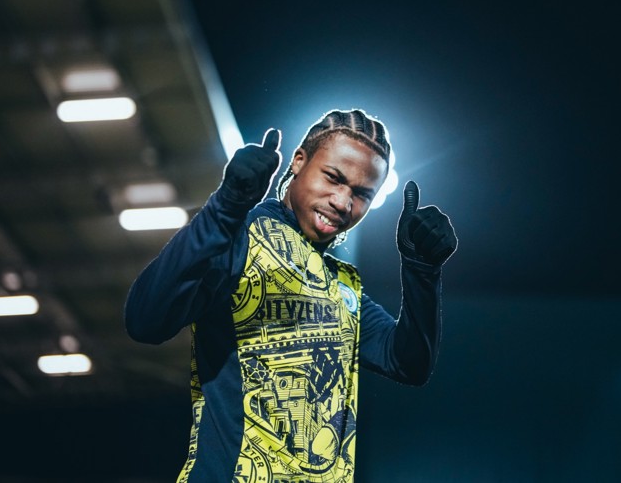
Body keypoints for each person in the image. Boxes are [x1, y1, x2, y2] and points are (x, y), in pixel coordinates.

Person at [125, 109, 457, 482]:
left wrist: (421, 271)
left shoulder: (343, 285)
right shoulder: (240, 237)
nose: (343, 202)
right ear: (299, 161)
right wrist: (225, 207)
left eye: (362, 194)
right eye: (333, 178)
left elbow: (408, 364)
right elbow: (144, 320)